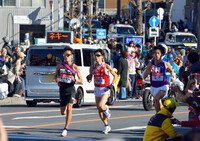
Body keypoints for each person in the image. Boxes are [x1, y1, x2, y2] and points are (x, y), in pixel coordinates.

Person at [86, 49, 117, 134]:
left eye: (98, 55)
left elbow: (115, 75)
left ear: (102, 57)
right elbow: (90, 79)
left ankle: (106, 108)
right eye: (95, 55)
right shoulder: (92, 67)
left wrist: (112, 83)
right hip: (97, 88)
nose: (96, 57)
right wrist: (88, 78)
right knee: (99, 109)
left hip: (105, 89)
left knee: (101, 105)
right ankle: (107, 125)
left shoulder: (106, 66)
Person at [55, 46, 82, 137]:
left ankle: (65, 129)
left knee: (70, 108)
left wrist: (74, 79)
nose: (66, 56)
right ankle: (66, 111)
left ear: (72, 56)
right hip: (62, 89)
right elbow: (55, 76)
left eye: (68, 55)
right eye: (65, 55)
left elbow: (81, 80)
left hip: (71, 89)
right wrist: (57, 79)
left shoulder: (75, 67)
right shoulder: (59, 66)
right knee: (63, 112)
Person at [144, 45, 174, 113]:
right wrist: (150, 71)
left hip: (162, 87)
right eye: (155, 53)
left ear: (162, 55)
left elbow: (172, 70)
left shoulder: (165, 64)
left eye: (158, 53)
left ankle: (157, 117)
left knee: (156, 99)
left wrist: (172, 77)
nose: (157, 55)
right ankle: (164, 115)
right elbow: (144, 76)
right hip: (153, 87)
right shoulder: (150, 64)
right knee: (159, 105)